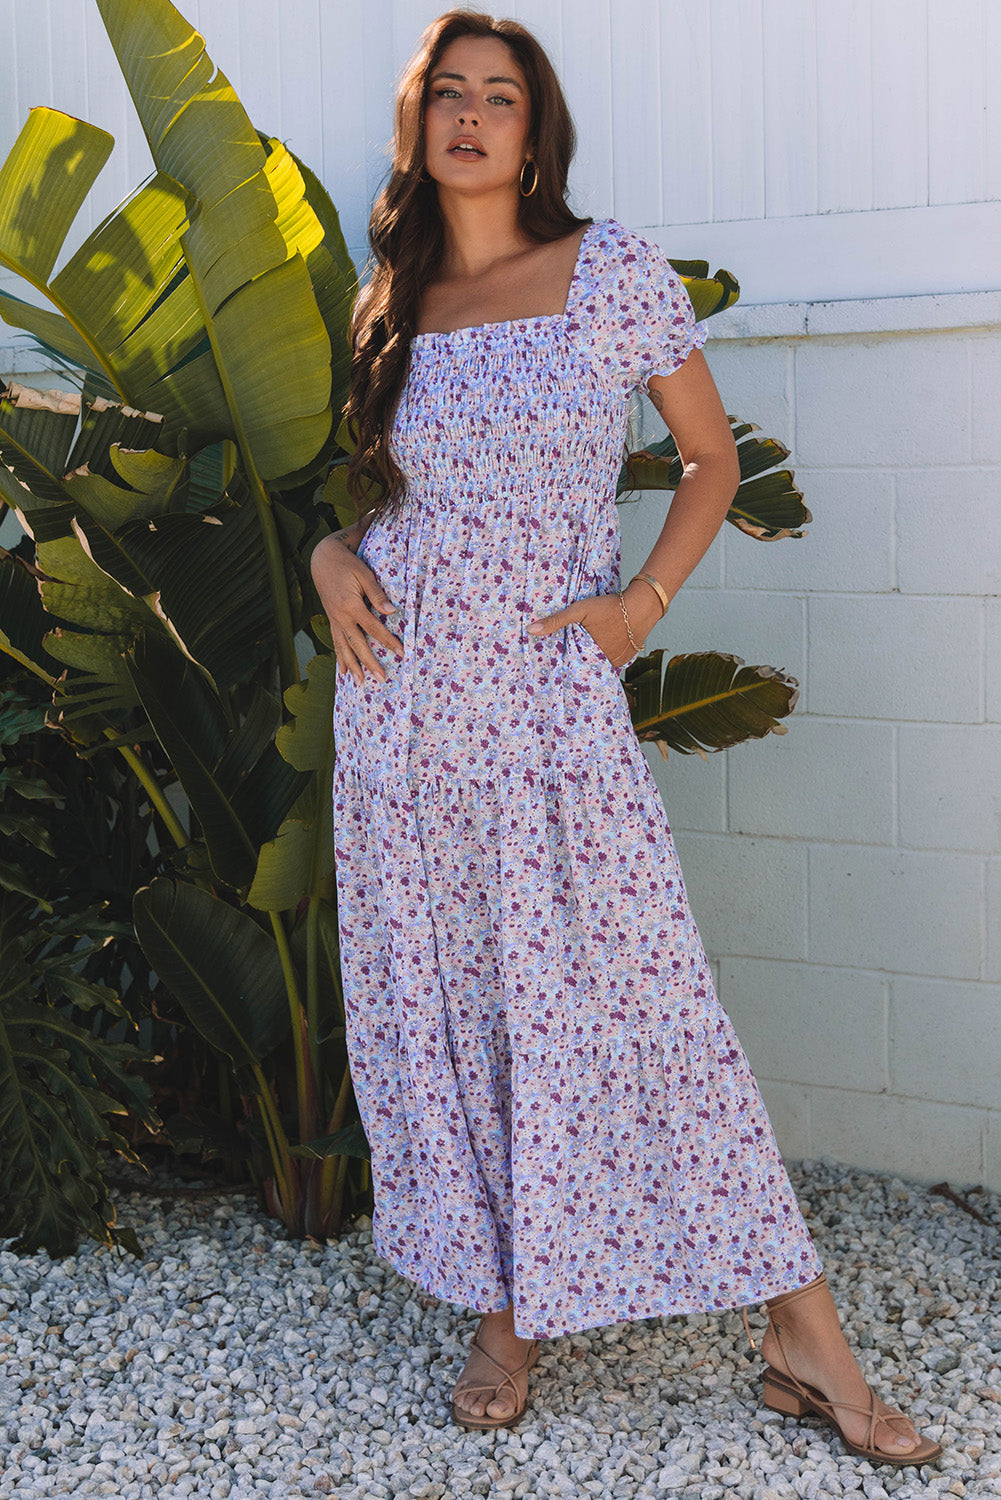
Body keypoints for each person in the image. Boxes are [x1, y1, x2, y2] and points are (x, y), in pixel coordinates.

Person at [310, 9, 941, 1467]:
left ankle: (806, 1332)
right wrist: (328, 560)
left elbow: (713, 460)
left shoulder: (607, 271)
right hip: (406, 721)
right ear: (419, 126)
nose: (473, 118)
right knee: (460, 1015)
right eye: (449, 95)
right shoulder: (388, 297)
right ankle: (505, 1314)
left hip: (544, 710)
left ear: (538, 131)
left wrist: (639, 604)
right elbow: (384, 504)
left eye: (502, 98)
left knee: (648, 1009)